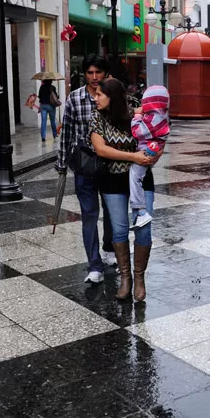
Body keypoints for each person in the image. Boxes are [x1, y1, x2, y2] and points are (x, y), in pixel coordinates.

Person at [89, 78, 157, 302]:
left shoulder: (136, 117)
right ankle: (125, 278)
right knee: (118, 231)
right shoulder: (97, 118)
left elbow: (156, 137)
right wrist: (133, 156)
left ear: (112, 96)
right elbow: (101, 150)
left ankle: (140, 278)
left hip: (140, 180)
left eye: (99, 94)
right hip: (112, 180)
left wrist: (151, 156)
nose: (95, 98)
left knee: (143, 229)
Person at [57, 54, 116, 283]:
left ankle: (109, 248)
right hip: (84, 165)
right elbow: (67, 132)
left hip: (110, 163)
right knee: (89, 215)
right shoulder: (74, 98)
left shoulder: (111, 96)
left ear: (105, 73)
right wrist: (62, 163)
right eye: (89, 73)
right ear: (84, 74)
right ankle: (94, 264)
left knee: (112, 212)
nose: (94, 77)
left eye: (97, 72)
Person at [130, 84, 170, 229]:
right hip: (152, 150)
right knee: (138, 176)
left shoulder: (153, 119)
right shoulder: (162, 115)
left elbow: (137, 132)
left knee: (135, 176)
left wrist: (137, 116)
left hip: (146, 152)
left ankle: (140, 211)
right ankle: (140, 211)